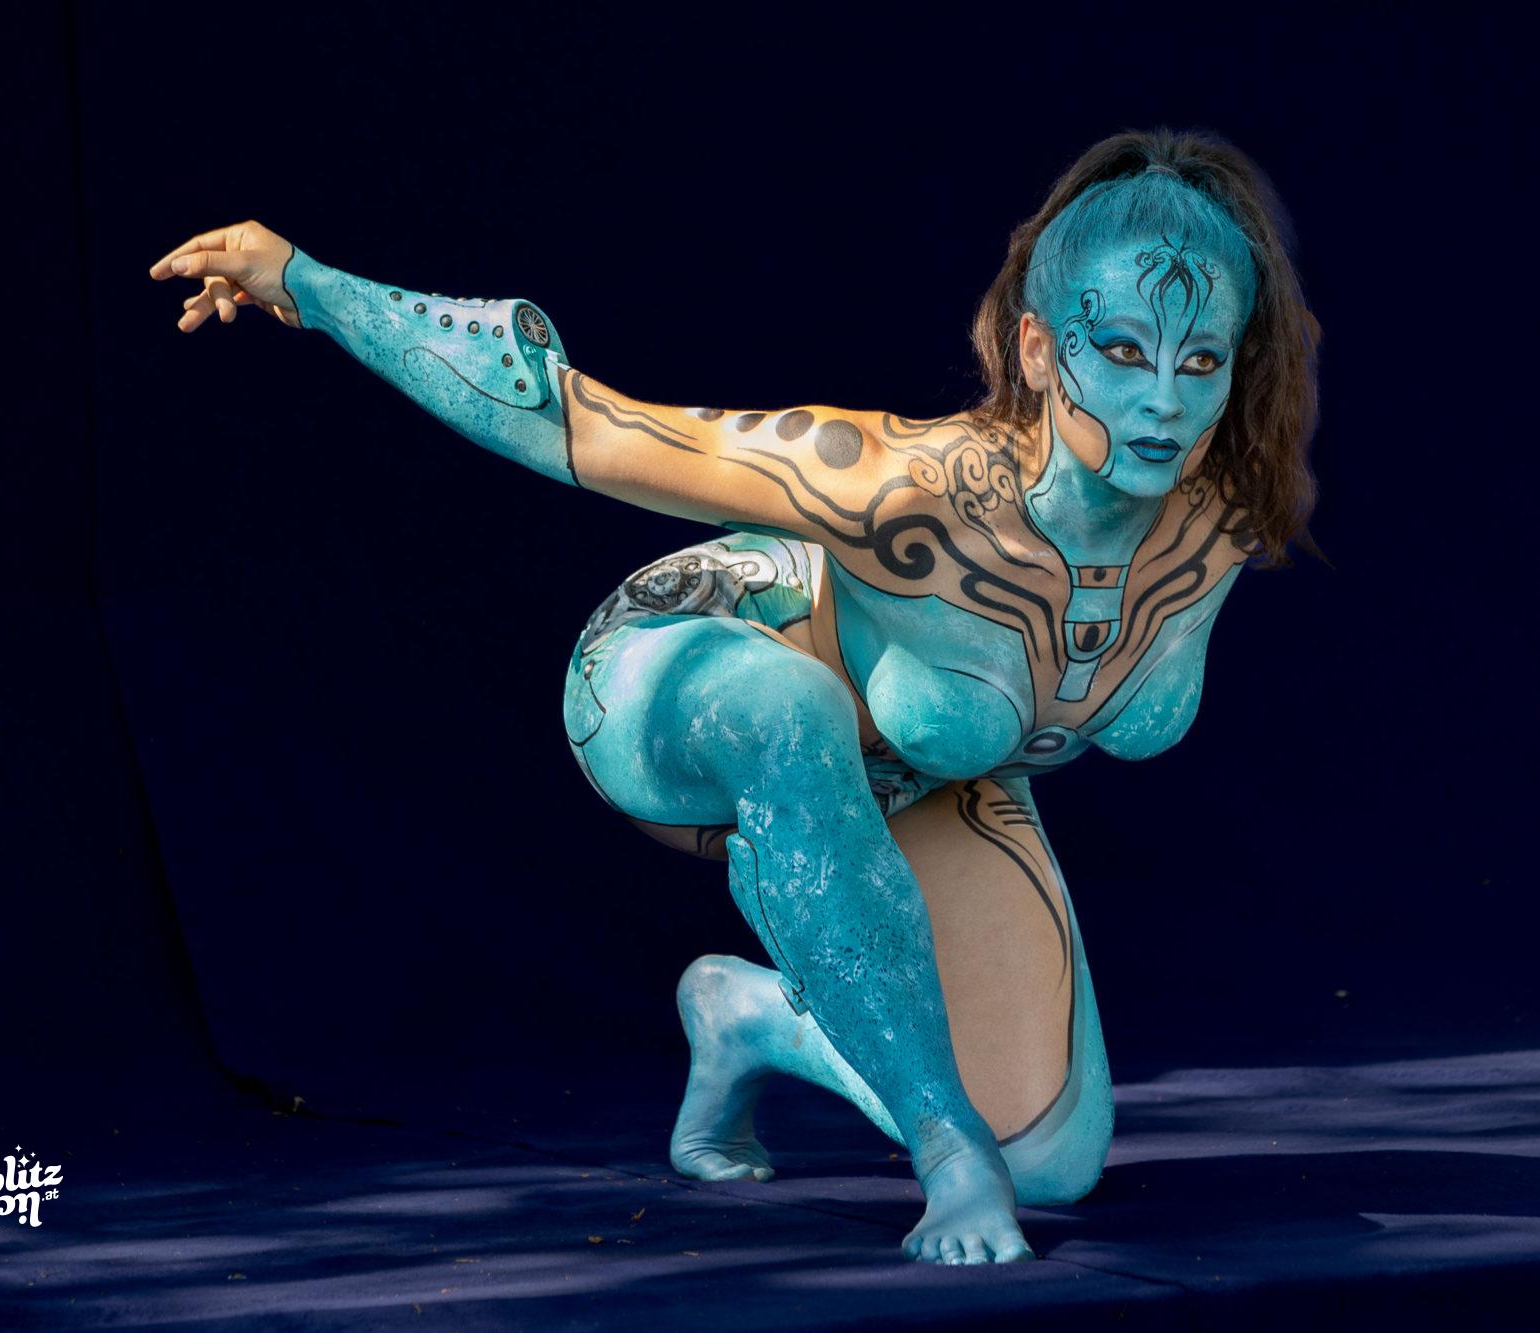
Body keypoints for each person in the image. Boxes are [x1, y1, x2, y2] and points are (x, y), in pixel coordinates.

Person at [149, 126, 1322, 1265]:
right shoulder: (897, 487)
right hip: (685, 667)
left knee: (1056, 1160)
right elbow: (577, 423)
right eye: (1119, 350)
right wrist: (305, 282)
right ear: (1035, 348)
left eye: (1199, 361)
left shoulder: (1220, 520)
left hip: (907, 771)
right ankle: (946, 1148)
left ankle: (753, 1017)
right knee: (790, 714)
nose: (1163, 400)